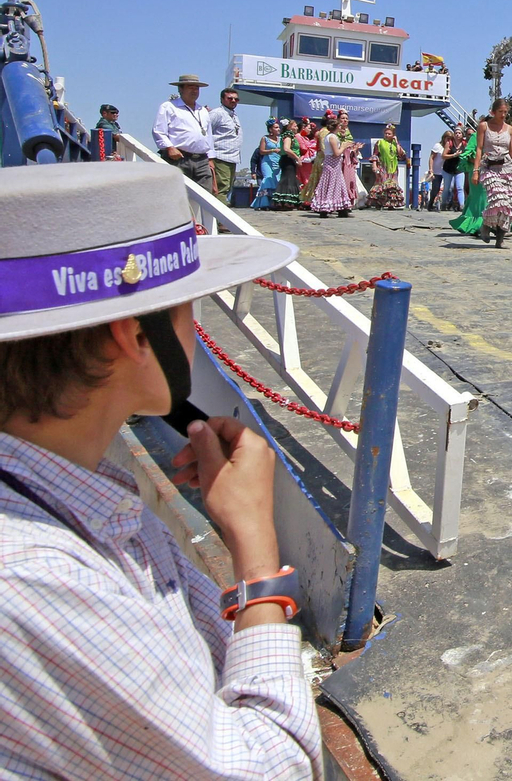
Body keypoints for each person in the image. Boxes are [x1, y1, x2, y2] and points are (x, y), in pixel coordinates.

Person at [0, 162, 320, 777]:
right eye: (185, 305)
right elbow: (272, 766)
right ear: (133, 336)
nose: (195, 326)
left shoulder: (79, 485)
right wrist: (256, 557)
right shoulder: (46, 586)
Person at [474, 99, 512, 247]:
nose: (503, 115)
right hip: (490, 167)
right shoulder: (484, 126)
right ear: (493, 112)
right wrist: (476, 170)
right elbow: (479, 149)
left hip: (507, 168)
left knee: (508, 203)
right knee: (498, 200)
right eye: (500, 112)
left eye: (505, 112)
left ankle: (500, 237)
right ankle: (486, 225)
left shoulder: (509, 129)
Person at [151, 74, 214, 190]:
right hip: (179, 158)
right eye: (190, 87)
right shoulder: (169, 107)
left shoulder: (203, 110)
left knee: (206, 196)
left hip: (202, 160)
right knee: (177, 194)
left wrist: (210, 158)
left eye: (197, 88)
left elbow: (208, 135)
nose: (194, 91)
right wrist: (169, 147)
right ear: (180, 89)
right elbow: (158, 131)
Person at [309, 111, 361, 217]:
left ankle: (341, 208)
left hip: (334, 165)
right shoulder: (332, 137)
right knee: (331, 185)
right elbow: (336, 153)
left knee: (337, 186)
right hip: (332, 164)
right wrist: (344, 146)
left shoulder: (333, 136)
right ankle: (326, 208)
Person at [208, 88, 243, 204]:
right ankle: (220, 220)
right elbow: (206, 132)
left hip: (232, 157)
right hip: (220, 157)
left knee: (227, 188)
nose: (233, 101)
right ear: (222, 99)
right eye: (230, 98)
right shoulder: (217, 113)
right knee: (221, 188)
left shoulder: (233, 115)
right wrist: (209, 157)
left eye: (236, 99)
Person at [447, 128, 485, 238]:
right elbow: (467, 155)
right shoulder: (475, 137)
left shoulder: (498, 135)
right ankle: (476, 225)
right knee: (478, 199)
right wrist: (481, 162)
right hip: (477, 172)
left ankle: (496, 225)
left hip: (493, 172)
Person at [367, 124, 407, 210]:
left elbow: (402, 155)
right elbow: (375, 154)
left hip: (393, 168)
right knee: (382, 184)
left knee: (392, 185)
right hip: (383, 166)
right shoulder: (380, 143)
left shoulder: (395, 144)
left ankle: (391, 203)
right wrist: (374, 165)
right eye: (386, 133)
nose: (387, 135)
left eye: (389, 134)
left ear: (393, 135)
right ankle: (379, 203)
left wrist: (396, 142)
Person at [250, 119, 283, 209]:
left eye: (278, 127)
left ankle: (274, 202)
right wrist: (272, 150)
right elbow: (261, 151)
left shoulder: (281, 139)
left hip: (278, 162)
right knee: (268, 179)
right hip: (267, 162)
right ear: (270, 129)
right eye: (276, 127)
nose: (278, 129)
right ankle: (264, 202)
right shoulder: (265, 138)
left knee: (277, 180)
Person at [427, 131, 450, 211]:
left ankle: (445, 204)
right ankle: (430, 204)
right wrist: (431, 169)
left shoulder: (450, 147)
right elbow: (431, 157)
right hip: (437, 171)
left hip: (446, 171)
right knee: (435, 189)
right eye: (447, 139)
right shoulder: (438, 146)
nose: (448, 141)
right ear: (444, 138)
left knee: (447, 188)